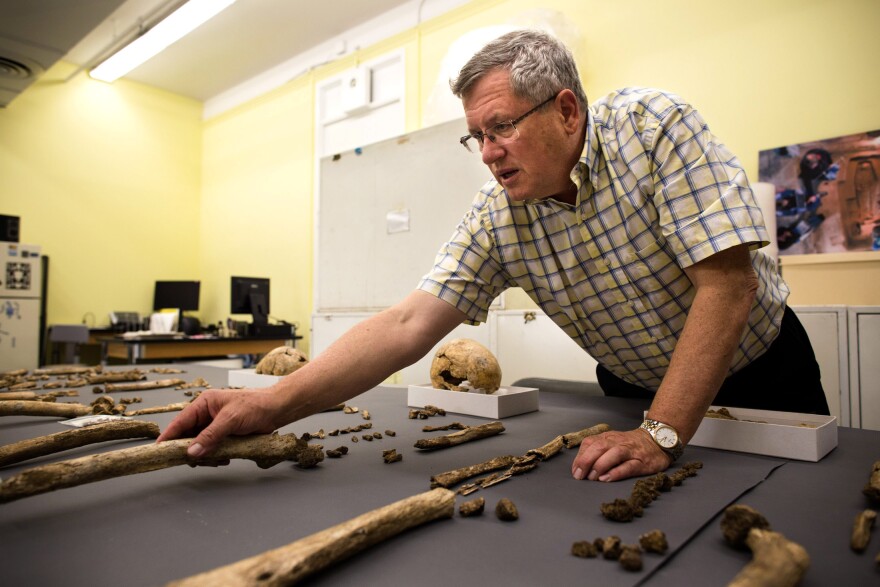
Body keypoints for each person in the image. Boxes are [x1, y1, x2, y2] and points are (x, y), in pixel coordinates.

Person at [158, 29, 828, 482]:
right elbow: (405, 326)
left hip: (761, 372)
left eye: (501, 126)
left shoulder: (654, 129)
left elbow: (728, 286)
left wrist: (661, 433)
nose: (487, 151)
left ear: (566, 110)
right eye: (475, 136)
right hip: (638, 392)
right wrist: (271, 404)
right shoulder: (498, 217)